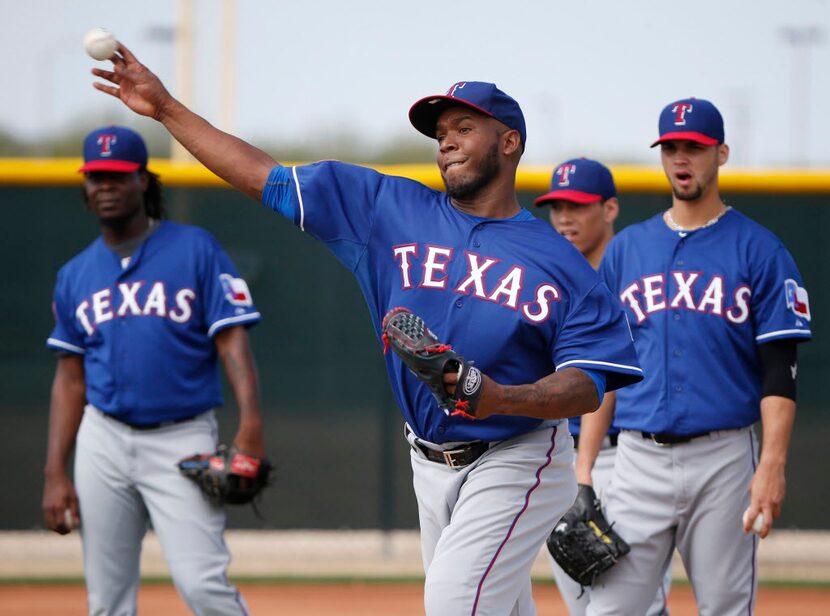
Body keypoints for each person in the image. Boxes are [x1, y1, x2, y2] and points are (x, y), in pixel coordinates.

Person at [89, 44, 645, 615]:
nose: (445, 141)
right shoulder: (386, 207)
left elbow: (589, 380)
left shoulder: (561, 262)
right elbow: (265, 177)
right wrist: (164, 108)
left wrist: (503, 396)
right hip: (427, 460)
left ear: (509, 142)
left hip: (518, 457)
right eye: (440, 133)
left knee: (455, 602)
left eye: (463, 127)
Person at [577, 98, 812, 615]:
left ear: (721, 154)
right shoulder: (627, 250)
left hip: (723, 459)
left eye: (695, 148)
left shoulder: (761, 250)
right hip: (637, 461)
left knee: (726, 609)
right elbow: (605, 374)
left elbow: (781, 370)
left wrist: (771, 465)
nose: (682, 159)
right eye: (672, 148)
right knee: (609, 610)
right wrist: (584, 472)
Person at [41, 125, 265, 615]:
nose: (105, 186)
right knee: (107, 598)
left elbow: (232, 338)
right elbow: (70, 377)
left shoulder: (195, 249)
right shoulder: (75, 275)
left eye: (117, 176)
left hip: (182, 437)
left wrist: (250, 426)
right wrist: (55, 470)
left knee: (203, 583)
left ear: (143, 180)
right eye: (96, 177)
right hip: (102, 439)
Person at [534, 158, 671, 616]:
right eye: (556, 207)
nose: (565, 217)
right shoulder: (548, 284)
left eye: (578, 205)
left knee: (639, 605)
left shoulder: (638, 282)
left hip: (626, 456)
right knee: (584, 603)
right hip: (559, 455)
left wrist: (585, 473)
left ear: (610, 209)